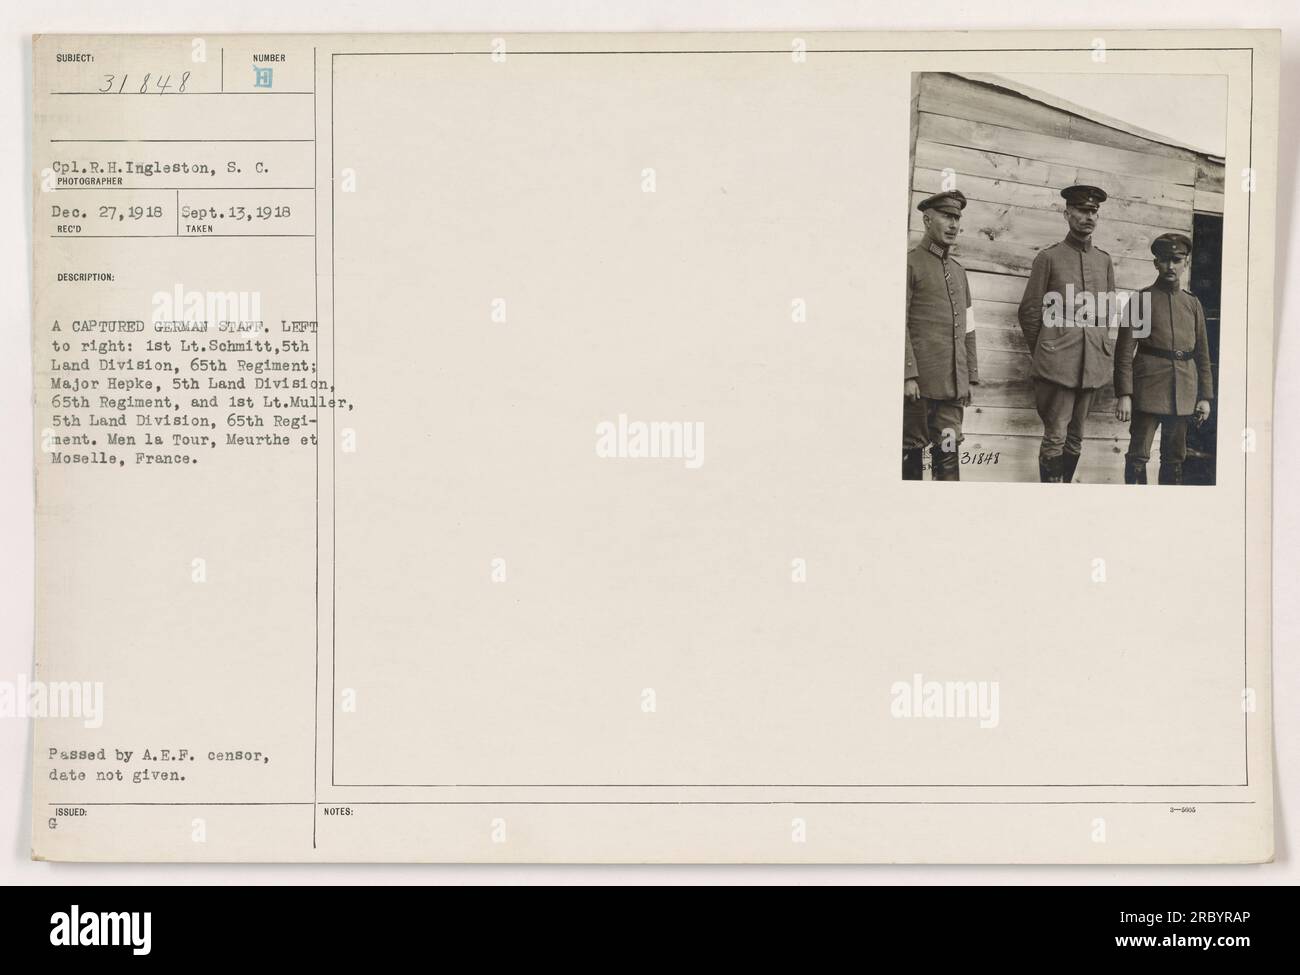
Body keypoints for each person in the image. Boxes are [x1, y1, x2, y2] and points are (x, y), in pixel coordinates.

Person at [1017, 185, 1117, 483]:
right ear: (1067, 214)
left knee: (1077, 437)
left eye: (1093, 212)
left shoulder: (1104, 260)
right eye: (1082, 211)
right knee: (1056, 436)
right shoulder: (1049, 258)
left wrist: (1100, 348)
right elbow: (1030, 311)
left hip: (1092, 364)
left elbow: (1108, 310)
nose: (1089, 217)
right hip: (1057, 365)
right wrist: (1047, 349)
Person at [1113, 232, 1213, 485]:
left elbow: (1202, 354)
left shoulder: (1192, 304)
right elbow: (1124, 352)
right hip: (1147, 390)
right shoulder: (1141, 300)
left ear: (1186, 263)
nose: (1171, 266)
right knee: (1138, 454)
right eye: (1165, 260)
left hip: (1184, 392)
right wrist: (1124, 394)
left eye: (1177, 260)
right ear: (1156, 263)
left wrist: (1204, 396)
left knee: (1174, 457)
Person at [903, 189, 978, 481]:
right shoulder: (910, 264)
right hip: (918, 389)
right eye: (947, 216)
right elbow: (898, 323)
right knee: (911, 455)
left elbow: (969, 328)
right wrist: (907, 374)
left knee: (947, 455)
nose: (954, 224)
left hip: (951, 390)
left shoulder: (958, 272)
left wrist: (969, 376)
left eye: (957, 218)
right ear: (926, 219)